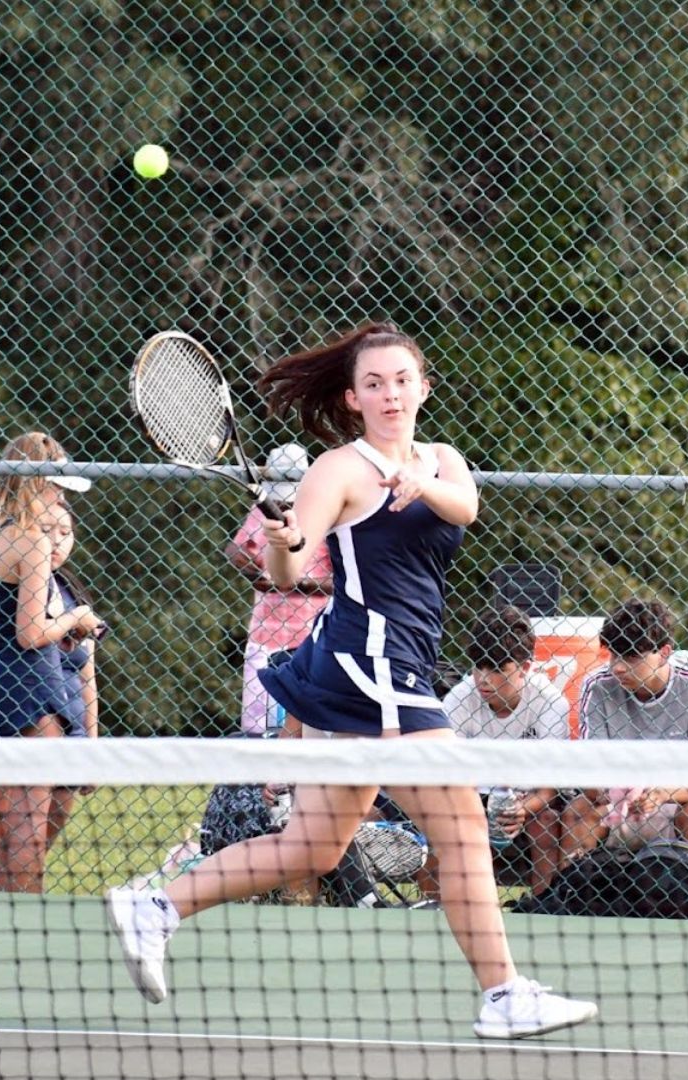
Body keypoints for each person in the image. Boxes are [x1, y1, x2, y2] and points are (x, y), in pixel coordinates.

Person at [106, 322, 597, 1040]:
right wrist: (283, 546)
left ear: (424, 388)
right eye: (374, 384)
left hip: (392, 667)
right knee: (463, 828)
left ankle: (157, 907)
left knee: (314, 849)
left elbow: (466, 507)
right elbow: (292, 569)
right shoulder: (337, 470)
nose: (390, 393)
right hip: (370, 666)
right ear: (354, 397)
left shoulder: (445, 460)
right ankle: (503, 994)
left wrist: (419, 480)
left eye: (402, 379)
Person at [0, 433, 104, 893]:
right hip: (31, 686)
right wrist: (76, 618)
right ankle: (25, 911)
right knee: (27, 823)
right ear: (38, 482)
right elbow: (31, 633)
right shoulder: (32, 542)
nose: (60, 497)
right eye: (56, 486)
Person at [552, 598, 688, 879]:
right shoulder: (597, 686)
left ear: (665, 652)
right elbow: (589, 775)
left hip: (677, 803)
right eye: (613, 655)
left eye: (632, 657)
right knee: (578, 810)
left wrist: (660, 793)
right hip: (614, 803)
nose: (618, 667)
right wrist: (617, 790)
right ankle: (570, 901)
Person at [434, 605, 570, 895]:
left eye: (497, 669)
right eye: (478, 666)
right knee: (437, 823)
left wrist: (520, 809)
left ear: (525, 667)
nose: (484, 679)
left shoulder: (551, 703)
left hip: (528, 798)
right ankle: (434, 907)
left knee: (545, 823)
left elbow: (549, 790)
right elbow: (445, 773)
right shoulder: (459, 697)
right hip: (470, 793)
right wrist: (470, 806)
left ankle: (541, 906)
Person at [222, 442, 335, 733]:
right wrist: (255, 569)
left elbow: (340, 581)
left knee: (306, 725)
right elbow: (235, 551)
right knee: (259, 724)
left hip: (312, 637)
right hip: (265, 633)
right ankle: (266, 779)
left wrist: (294, 583)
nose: (284, 505)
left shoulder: (321, 514)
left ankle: (297, 779)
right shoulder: (263, 510)